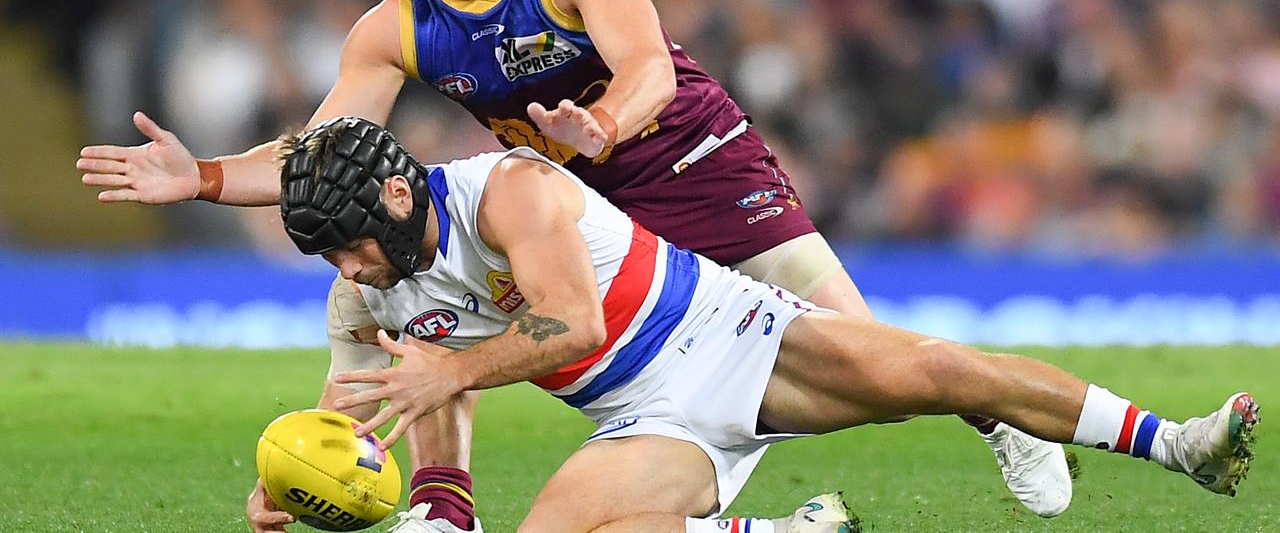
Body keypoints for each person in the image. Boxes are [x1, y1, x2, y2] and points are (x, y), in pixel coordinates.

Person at [77, 0, 1072, 526]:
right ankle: (440, 507)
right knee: (398, 297)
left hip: (684, 159)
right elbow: (321, 157)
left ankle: (993, 408)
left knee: (857, 347)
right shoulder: (399, 24)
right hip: (567, 199)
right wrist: (201, 175)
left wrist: (599, 125)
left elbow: (645, 66)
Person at [275, 117, 1257, 533]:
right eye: (332, 258)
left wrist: (450, 373)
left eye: (353, 245)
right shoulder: (367, 286)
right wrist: (290, 486)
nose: (350, 270)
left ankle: (1180, 446)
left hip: (731, 336)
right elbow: (353, 417)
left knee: (941, 372)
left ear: (399, 194)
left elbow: (569, 324)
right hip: (644, 419)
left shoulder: (509, 193)